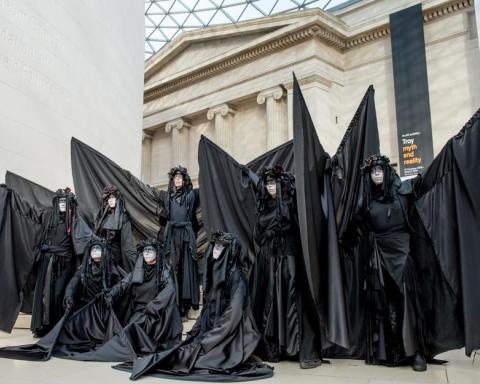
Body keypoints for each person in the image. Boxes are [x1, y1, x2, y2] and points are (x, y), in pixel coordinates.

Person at [114, 231, 273, 381]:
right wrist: (196, 332)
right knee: (181, 354)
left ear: (229, 250)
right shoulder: (213, 273)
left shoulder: (237, 277)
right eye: (215, 247)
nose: (215, 251)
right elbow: (207, 309)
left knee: (199, 359)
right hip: (211, 329)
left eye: (220, 247)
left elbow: (233, 314)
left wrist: (211, 338)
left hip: (228, 334)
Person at [359, 154, 426, 371]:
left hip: (402, 249)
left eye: (380, 169)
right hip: (379, 252)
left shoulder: (403, 191)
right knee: (387, 301)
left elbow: (426, 183)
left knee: (407, 299)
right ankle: (394, 351)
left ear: (387, 171)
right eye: (372, 170)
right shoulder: (368, 200)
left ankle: (416, 352)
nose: (376, 173)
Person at [251, 166, 322, 368]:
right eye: (268, 183)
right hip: (268, 259)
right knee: (270, 299)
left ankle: (293, 346)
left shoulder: (292, 204)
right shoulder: (263, 207)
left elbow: (301, 227)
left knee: (289, 295)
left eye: (273, 183)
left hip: (288, 255)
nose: (270, 187)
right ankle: (273, 347)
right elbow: (257, 234)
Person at [28, 188, 89, 337]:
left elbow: (87, 238)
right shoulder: (49, 217)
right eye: (60, 201)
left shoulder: (75, 221)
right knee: (44, 294)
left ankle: (57, 329)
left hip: (64, 263)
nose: (62, 204)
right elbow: (30, 212)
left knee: (59, 294)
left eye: (65, 202)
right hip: (47, 262)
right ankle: (43, 327)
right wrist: (11, 197)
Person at [155, 166, 200, 320]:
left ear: (184, 179)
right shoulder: (167, 197)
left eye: (180, 178)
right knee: (173, 270)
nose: (178, 180)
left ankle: (184, 308)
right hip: (172, 236)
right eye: (176, 178)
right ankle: (174, 305)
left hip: (186, 236)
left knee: (185, 270)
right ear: (172, 180)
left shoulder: (191, 196)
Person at [94, 185, 137, 272]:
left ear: (117, 199)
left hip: (116, 254)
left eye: (113, 198)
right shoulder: (103, 215)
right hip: (104, 252)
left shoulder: (123, 216)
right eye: (109, 199)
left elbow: (127, 244)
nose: (111, 201)